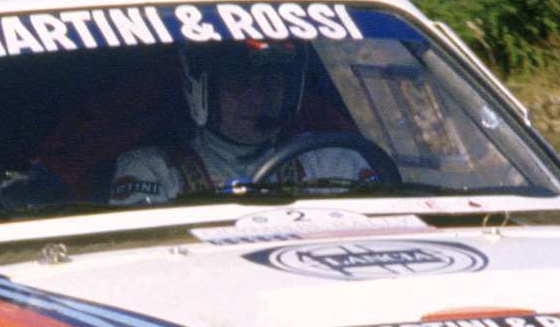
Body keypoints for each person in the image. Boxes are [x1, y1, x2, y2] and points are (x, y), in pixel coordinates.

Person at [111, 40, 379, 204]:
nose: (257, 99)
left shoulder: (334, 161)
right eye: (238, 85)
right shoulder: (154, 169)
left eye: (270, 84)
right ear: (203, 92)